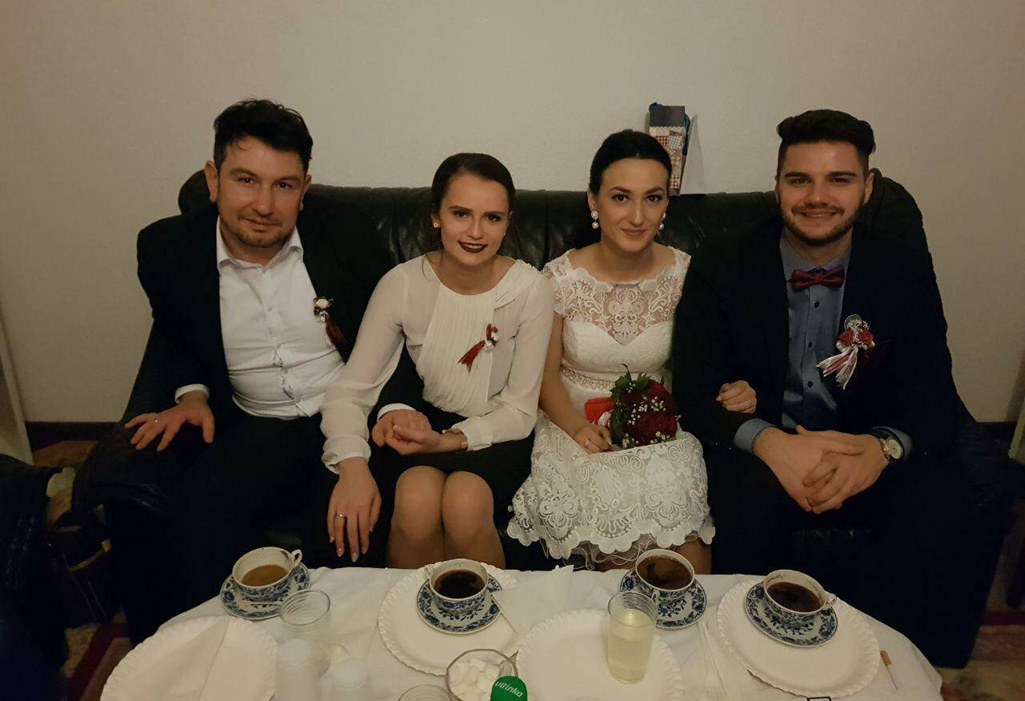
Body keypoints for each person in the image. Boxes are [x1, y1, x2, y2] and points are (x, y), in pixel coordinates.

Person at [673, 109, 962, 643]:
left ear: (867, 188)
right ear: (777, 185)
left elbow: (935, 393)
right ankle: (744, 649)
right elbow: (692, 385)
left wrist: (881, 450)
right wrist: (770, 443)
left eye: (839, 180)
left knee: (937, 497)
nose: (817, 197)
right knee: (740, 500)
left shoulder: (902, 267)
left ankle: (883, 660)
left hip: (861, 443)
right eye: (799, 180)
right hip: (761, 450)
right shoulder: (723, 259)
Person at [125, 99, 403, 610]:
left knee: (345, 543)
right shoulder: (167, 249)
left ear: (304, 189)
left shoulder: (347, 233)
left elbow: (396, 337)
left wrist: (375, 428)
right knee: (196, 523)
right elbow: (174, 331)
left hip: (348, 419)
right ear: (213, 179)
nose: (264, 204)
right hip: (253, 424)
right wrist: (191, 394)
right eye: (246, 180)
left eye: (284, 185)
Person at [508, 130, 757, 572]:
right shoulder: (558, 279)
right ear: (594, 201)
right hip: (574, 424)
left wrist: (738, 387)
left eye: (653, 198)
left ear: (666, 205)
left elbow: (714, 358)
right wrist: (577, 429)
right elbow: (543, 378)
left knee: (687, 556)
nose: (637, 216)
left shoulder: (687, 273)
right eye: (621, 197)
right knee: (618, 549)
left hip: (660, 424)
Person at [320, 153, 554, 569]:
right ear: (435, 216)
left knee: (465, 502)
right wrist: (352, 464)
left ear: (508, 223)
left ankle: (492, 611)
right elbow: (348, 393)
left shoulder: (531, 289)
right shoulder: (402, 284)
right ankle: (410, 610)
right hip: (424, 426)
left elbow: (520, 411)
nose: (476, 232)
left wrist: (447, 441)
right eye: (461, 214)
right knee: (415, 499)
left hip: (498, 433)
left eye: (492, 218)